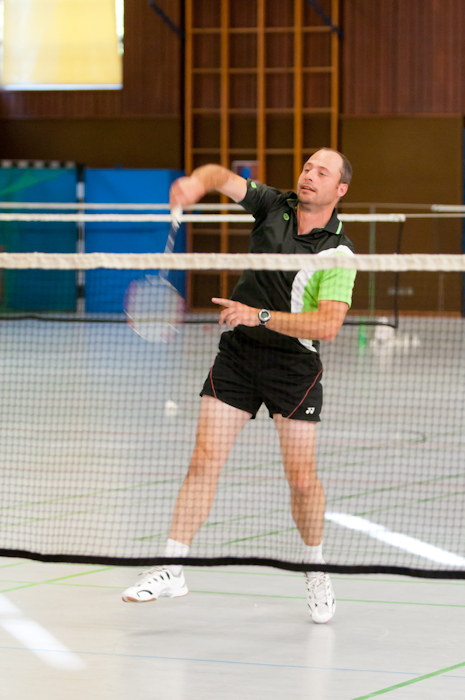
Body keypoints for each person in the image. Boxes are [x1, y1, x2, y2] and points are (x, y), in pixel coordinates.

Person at [122, 148, 356, 624]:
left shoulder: (338, 253)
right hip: (239, 355)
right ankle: (172, 566)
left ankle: (315, 568)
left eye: (322, 172)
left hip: (294, 366)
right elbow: (220, 175)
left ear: (340, 189)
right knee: (204, 459)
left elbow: (327, 325)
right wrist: (196, 183)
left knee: (302, 480)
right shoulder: (273, 205)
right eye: (307, 167)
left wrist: (260, 316)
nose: (309, 175)